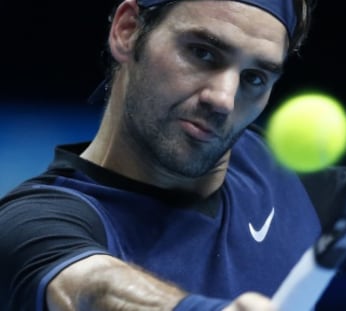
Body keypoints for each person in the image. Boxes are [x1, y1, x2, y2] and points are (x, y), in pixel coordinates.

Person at [0, 0, 321, 310]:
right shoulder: (33, 222)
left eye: (254, 78)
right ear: (127, 31)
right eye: (202, 52)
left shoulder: (271, 167)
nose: (223, 99)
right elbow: (93, 290)